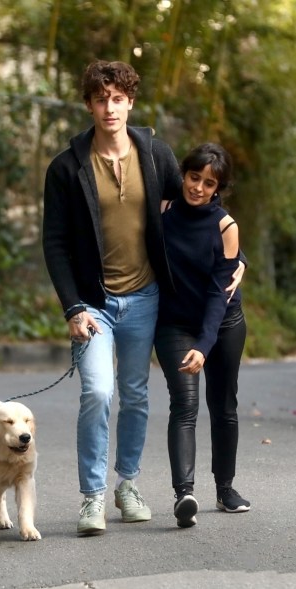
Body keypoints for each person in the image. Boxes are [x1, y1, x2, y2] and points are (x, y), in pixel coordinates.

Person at [42, 59, 185, 536]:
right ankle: (92, 497)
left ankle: (128, 484)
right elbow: (55, 242)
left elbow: (191, 212)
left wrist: (233, 246)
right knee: (98, 391)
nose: (110, 107)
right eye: (100, 98)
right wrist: (72, 306)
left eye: (118, 98)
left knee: (136, 395)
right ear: (88, 104)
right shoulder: (66, 168)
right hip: (93, 304)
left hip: (145, 297)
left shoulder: (157, 154)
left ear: (130, 102)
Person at [154, 143, 250, 529]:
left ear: (217, 188)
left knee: (223, 405)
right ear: (184, 176)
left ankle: (225, 489)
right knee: (185, 403)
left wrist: (204, 346)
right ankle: (184, 495)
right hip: (174, 321)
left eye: (208, 183)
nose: (198, 188)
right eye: (194, 178)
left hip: (222, 322)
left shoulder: (226, 227)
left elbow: (218, 293)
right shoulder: (162, 212)